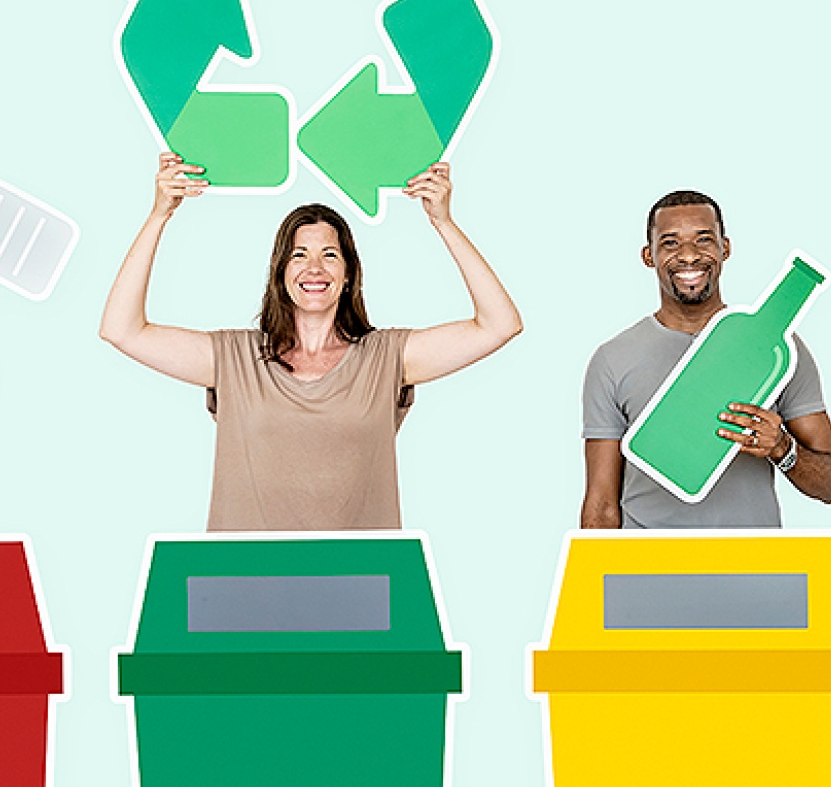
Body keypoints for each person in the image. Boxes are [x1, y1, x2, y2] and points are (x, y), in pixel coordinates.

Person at [100, 154, 521, 530]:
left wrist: (443, 221)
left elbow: (499, 324)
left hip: (360, 588)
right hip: (247, 587)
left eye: (330, 255)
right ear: (281, 272)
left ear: (349, 273)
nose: (314, 267)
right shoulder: (236, 359)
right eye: (299, 255)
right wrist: (159, 215)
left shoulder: (386, 357)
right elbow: (121, 329)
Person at [581, 189, 831, 528]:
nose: (689, 255)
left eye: (704, 240)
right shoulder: (612, 360)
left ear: (725, 248)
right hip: (649, 569)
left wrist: (782, 448)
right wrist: (592, 579)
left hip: (752, 567)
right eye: (670, 243)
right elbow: (601, 504)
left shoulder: (781, 355)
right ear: (649, 255)